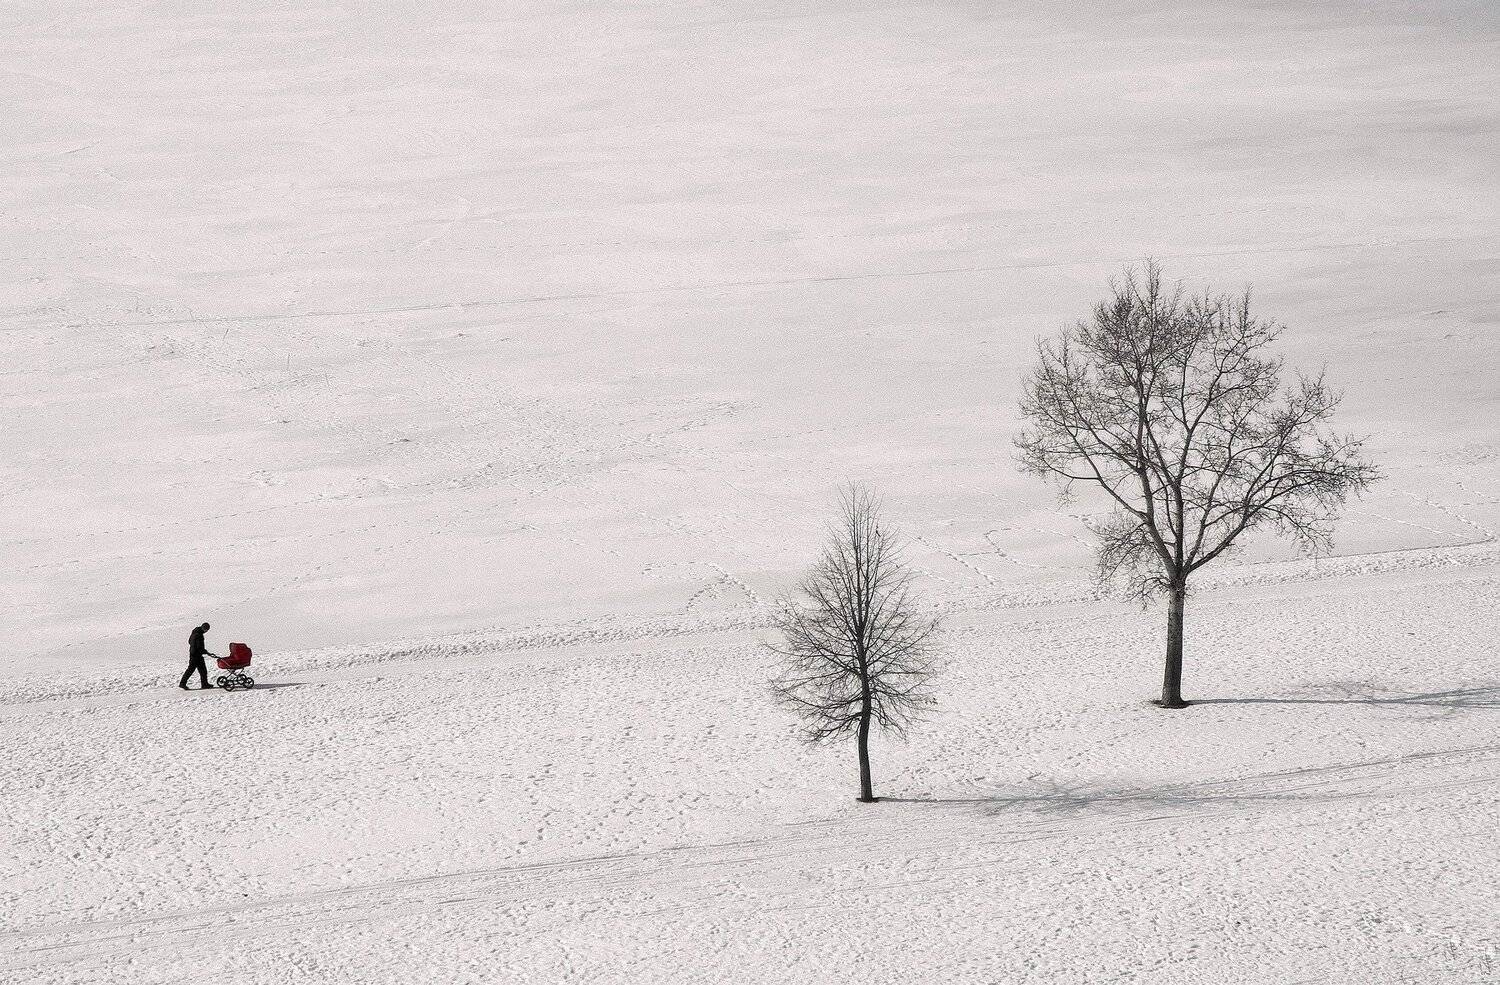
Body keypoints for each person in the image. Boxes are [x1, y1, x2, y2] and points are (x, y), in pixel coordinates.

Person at [179, 622, 217, 690]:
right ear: (204, 628)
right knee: (191, 670)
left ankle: (205, 684)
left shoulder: (194, 633)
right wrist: (206, 652)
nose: (206, 631)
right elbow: (200, 647)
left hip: (194, 654)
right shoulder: (199, 635)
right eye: (206, 630)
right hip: (196, 655)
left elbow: (189, 641)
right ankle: (182, 683)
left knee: (202, 670)